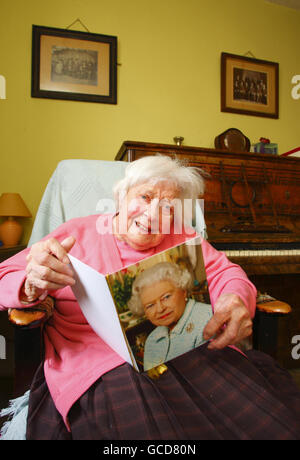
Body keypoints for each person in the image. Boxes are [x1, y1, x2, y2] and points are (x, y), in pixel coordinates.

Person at [0, 155, 299, 440]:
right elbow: (5, 275)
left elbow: (226, 272)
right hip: (100, 363)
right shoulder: (77, 232)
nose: (154, 215)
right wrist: (30, 283)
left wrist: (234, 298)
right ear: (122, 195)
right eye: (145, 197)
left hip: (188, 353)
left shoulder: (182, 236)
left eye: (168, 206)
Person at [127, 261, 213, 371]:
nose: (160, 309)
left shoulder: (207, 319)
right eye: (150, 305)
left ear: (183, 291)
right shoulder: (152, 340)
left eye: (166, 297)